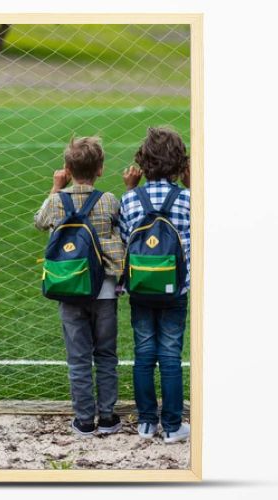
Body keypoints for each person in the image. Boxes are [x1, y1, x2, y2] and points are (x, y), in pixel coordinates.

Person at [34, 137, 124, 437]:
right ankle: (108, 417)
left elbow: (40, 220)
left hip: (70, 287)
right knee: (107, 355)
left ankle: (84, 419)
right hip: (105, 291)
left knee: (78, 358)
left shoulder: (57, 202)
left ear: (67, 169)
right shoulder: (109, 200)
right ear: (100, 169)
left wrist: (56, 188)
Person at [119, 127, 191, 444]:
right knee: (171, 354)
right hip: (176, 290)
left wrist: (131, 189)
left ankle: (147, 423)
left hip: (141, 288)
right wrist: (193, 186)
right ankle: (173, 426)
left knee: (144, 353)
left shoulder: (130, 199)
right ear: (180, 165)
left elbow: (123, 240)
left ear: (142, 163)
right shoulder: (190, 199)